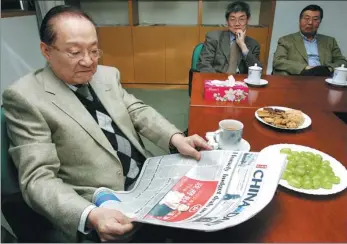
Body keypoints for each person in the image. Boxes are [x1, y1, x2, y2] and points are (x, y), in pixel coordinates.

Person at [2, 5, 211, 242]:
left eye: (94, 50)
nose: (88, 61)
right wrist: (90, 215)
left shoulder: (106, 74)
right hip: (106, 202)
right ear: (46, 51)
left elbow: (135, 110)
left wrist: (176, 139)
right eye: (74, 52)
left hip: (148, 181)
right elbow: (37, 179)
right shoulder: (25, 97)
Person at [273, 4, 347, 76]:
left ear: (320, 22)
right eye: (306, 18)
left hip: (324, 77)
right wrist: (305, 68)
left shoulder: (330, 41)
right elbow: (278, 61)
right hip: (299, 78)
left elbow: (342, 61)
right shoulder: (286, 40)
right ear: (300, 20)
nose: (310, 23)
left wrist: (328, 69)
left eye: (315, 19)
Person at [197, 1, 262, 74]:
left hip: (240, 82)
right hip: (217, 81)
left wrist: (243, 46)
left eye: (241, 19)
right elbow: (204, 64)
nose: (237, 24)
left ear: (247, 20)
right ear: (227, 21)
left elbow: (257, 71)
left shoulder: (253, 44)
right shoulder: (214, 37)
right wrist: (218, 81)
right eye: (232, 19)